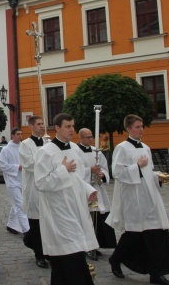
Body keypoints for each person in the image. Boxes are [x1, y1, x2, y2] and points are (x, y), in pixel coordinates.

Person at [106, 114, 169, 285]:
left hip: (149, 198)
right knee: (133, 234)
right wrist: (137, 166)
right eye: (137, 127)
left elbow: (148, 173)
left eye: (142, 126)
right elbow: (117, 173)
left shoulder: (146, 147)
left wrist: (158, 177)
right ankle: (116, 258)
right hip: (133, 198)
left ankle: (156, 274)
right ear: (129, 128)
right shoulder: (122, 148)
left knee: (155, 233)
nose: (141, 130)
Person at [34, 113, 98, 285]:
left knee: (66, 259)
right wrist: (63, 170)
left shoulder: (75, 149)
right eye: (68, 126)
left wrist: (88, 189)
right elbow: (40, 182)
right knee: (71, 252)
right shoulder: (45, 152)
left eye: (73, 126)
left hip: (76, 206)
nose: (72, 130)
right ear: (57, 128)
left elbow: (78, 177)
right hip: (58, 210)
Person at [77, 128, 116, 256]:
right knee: (87, 218)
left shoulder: (96, 151)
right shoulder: (75, 152)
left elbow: (104, 168)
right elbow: (76, 171)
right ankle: (86, 246)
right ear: (80, 138)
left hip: (98, 189)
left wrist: (102, 175)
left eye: (91, 136)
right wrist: (90, 170)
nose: (90, 139)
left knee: (98, 218)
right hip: (84, 189)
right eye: (87, 137)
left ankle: (96, 245)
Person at [19, 115, 49, 269]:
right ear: (31, 127)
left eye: (43, 123)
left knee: (48, 223)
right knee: (36, 223)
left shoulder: (49, 142)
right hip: (34, 188)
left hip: (49, 188)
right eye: (38, 124)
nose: (42, 126)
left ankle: (47, 250)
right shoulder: (25, 144)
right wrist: (44, 157)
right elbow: (28, 164)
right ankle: (39, 254)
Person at [0, 127, 29, 235]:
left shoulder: (24, 147)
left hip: (23, 180)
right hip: (12, 181)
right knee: (20, 205)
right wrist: (17, 167)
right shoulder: (6, 149)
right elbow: (2, 165)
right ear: (12, 135)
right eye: (18, 134)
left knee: (16, 203)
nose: (20, 136)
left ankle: (11, 225)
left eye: (21, 134)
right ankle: (27, 230)